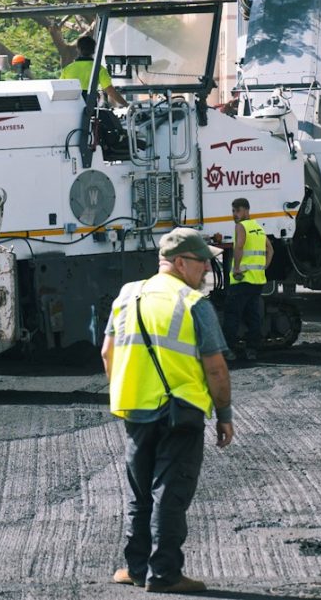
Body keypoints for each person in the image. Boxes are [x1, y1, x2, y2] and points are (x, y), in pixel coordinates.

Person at [102, 228, 234, 594]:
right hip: (181, 412)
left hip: (136, 411)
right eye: (202, 261)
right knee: (170, 495)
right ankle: (165, 574)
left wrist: (128, 390)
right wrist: (224, 414)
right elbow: (216, 368)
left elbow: (107, 354)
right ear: (179, 263)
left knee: (140, 494)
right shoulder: (193, 303)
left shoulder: (128, 295)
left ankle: (136, 568)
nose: (208, 268)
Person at [222, 198, 274, 361]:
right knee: (253, 316)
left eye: (237, 211)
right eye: (233, 211)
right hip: (257, 281)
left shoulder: (241, 226)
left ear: (246, 210)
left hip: (242, 280)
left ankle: (228, 350)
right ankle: (252, 350)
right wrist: (264, 267)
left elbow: (239, 247)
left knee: (232, 315)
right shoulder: (258, 227)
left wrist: (236, 267)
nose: (234, 215)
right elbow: (270, 250)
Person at [60, 35, 128, 108]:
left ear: (78, 49)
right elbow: (110, 90)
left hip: (71, 109)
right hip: (90, 110)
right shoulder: (99, 69)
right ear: (94, 50)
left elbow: (60, 89)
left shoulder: (67, 69)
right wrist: (126, 104)